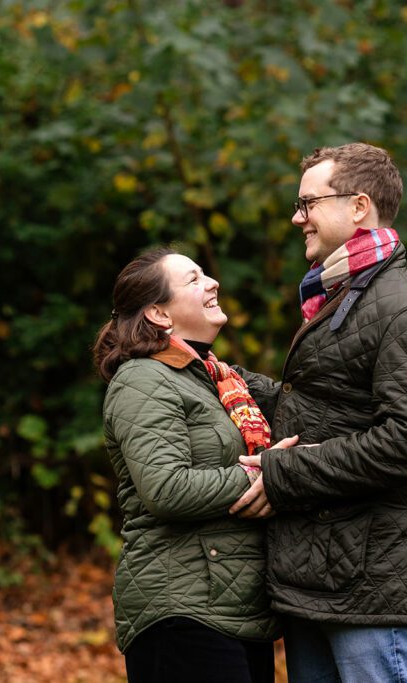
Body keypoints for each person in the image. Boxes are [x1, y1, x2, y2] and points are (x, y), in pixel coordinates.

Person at [229, 143, 407, 682]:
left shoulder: (404, 309)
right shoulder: (342, 294)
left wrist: (285, 474)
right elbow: (321, 409)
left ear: (358, 207)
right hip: (316, 582)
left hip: (369, 587)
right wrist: (220, 375)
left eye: (308, 203)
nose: (296, 217)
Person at [94, 247, 292, 683]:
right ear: (160, 314)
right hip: (180, 610)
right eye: (194, 279)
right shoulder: (141, 378)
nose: (212, 283)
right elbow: (165, 488)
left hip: (236, 608)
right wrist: (266, 474)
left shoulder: (217, 378)